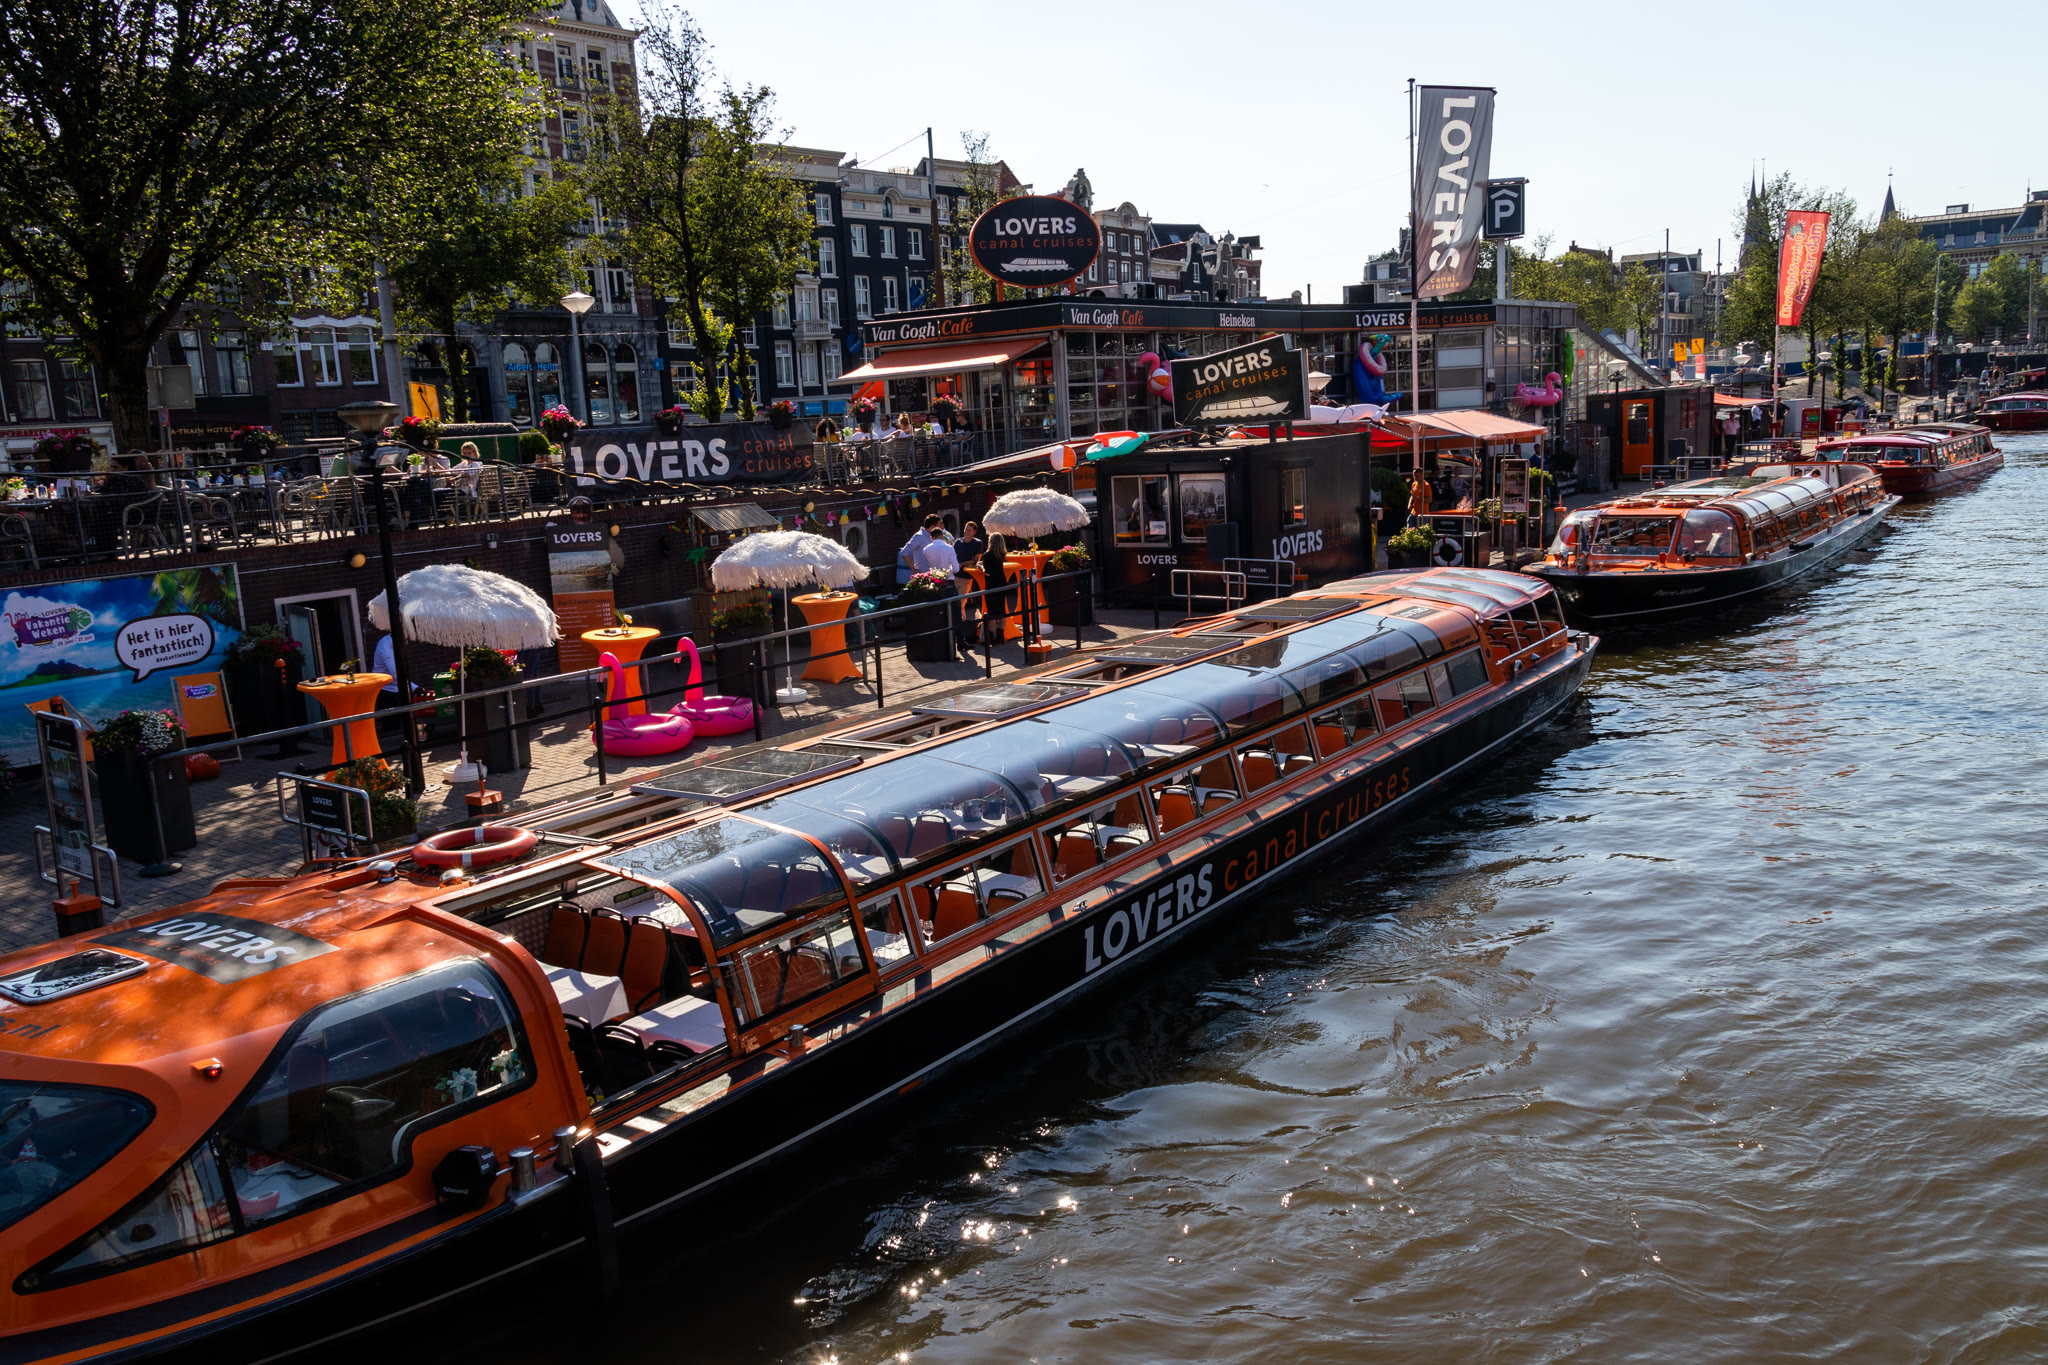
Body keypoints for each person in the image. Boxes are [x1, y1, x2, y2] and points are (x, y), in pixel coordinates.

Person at [981, 532, 1012, 646]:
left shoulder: (987, 555)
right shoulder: (1002, 554)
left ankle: (991, 637)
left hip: (991, 584)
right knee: (1001, 609)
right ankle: (1000, 635)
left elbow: (987, 572)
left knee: (992, 612)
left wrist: (980, 567)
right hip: (1001, 582)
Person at [898, 512, 941, 584]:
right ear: (933, 527)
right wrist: (914, 570)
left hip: (936, 576)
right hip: (924, 577)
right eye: (939, 526)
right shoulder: (919, 536)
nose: (941, 529)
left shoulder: (933, 536)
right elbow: (904, 551)